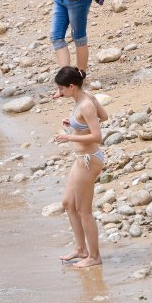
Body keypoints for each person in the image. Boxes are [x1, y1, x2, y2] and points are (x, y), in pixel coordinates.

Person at [53, 66, 109, 268]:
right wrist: (76, 124)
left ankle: (94, 256)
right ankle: (81, 249)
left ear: (71, 86)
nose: (59, 93)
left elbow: (98, 136)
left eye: (61, 89)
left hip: (89, 159)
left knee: (84, 210)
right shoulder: (85, 99)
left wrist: (69, 136)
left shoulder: (85, 104)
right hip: (81, 158)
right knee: (68, 202)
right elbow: (104, 116)